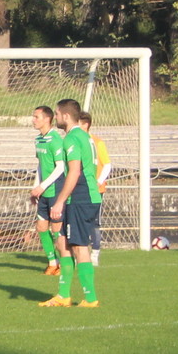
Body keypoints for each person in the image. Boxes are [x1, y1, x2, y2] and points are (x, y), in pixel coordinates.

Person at [40, 98, 101, 308]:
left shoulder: (72, 138)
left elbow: (74, 171)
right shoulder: (84, 136)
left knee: (79, 247)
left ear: (65, 116)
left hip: (81, 197)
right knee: (62, 243)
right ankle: (63, 295)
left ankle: (90, 298)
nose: (55, 117)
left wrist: (60, 201)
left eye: (56, 114)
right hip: (80, 197)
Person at [29, 105, 65, 276]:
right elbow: (40, 165)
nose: (33, 120)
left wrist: (43, 186)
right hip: (44, 191)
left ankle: (65, 263)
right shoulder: (38, 140)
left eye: (36, 117)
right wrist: (36, 186)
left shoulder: (55, 139)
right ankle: (53, 262)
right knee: (42, 227)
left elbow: (60, 167)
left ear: (47, 119)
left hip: (56, 190)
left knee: (57, 230)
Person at [80, 111, 113, 266]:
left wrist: (98, 182)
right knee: (78, 221)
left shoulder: (97, 142)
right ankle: (80, 253)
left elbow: (107, 164)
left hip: (95, 191)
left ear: (85, 124)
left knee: (94, 222)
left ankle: (95, 253)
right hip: (79, 190)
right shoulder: (75, 142)